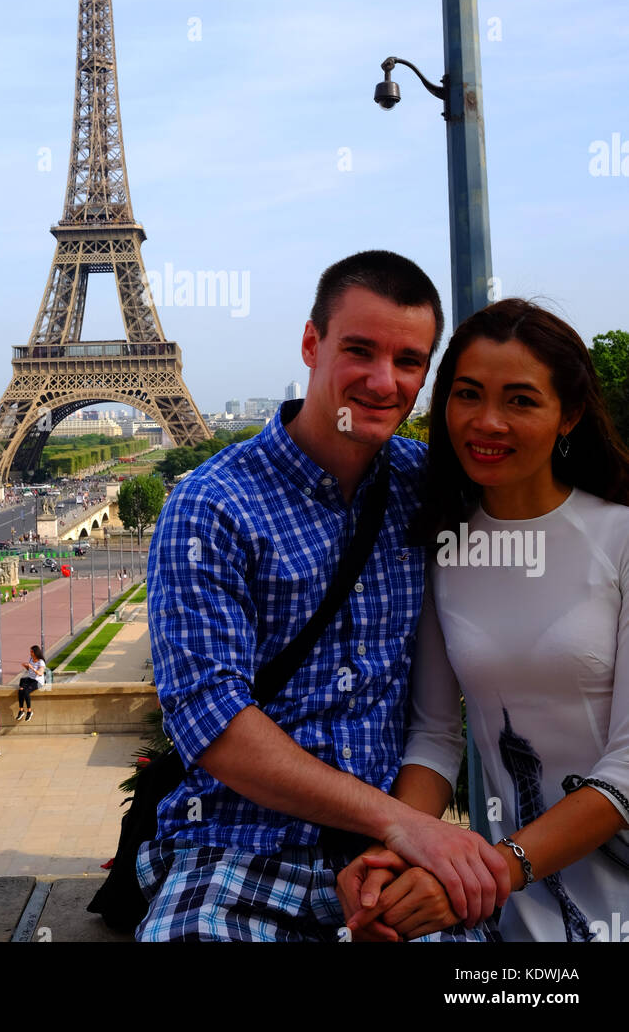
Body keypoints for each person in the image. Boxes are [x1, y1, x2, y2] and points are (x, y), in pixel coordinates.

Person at [136, 251, 509, 943]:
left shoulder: (427, 487)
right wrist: (400, 823)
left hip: (384, 858)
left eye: (408, 361)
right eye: (359, 351)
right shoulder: (209, 505)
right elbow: (210, 717)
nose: (381, 380)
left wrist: (398, 850)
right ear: (311, 344)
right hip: (235, 846)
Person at [338, 299, 629, 943]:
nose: (487, 421)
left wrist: (489, 872)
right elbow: (436, 737)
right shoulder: (446, 548)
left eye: (520, 400)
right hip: (516, 899)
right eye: (467, 394)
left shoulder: (621, 540)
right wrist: (399, 851)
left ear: (570, 415)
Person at [15, 646, 46, 722]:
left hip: (38, 682)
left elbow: (40, 673)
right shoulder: (31, 659)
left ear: (35, 652)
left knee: (26, 692)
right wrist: (26, 667)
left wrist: (32, 667)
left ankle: (29, 711)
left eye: (31, 652)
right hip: (30, 679)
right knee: (21, 690)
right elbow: (29, 670)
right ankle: (21, 710)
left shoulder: (41, 662)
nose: (30, 653)